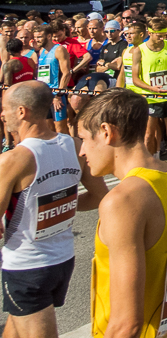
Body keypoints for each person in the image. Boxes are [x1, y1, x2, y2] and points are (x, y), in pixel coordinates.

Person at [79, 88, 167, 338]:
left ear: (107, 132)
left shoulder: (121, 201)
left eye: (84, 139)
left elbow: (126, 324)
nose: (82, 151)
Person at [0, 82, 108, 338]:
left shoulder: (14, 160)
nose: (2, 114)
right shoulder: (72, 145)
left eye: (5, 108)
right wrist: (64, 207)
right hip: (62, 259)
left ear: (22, 112)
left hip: (26, 267)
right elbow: (99, 196)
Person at [131, 17, 167, 163]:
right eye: (159, 35)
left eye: (164, 34)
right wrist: (151, 88)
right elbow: (135, 79)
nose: (162, 38)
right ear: (150, 32)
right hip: (151, 98)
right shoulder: (139, 50)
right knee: (148, 134)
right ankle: (149, 165)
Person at [33, 25, 72, 134]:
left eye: (40, 37)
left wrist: (58, 95)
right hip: (44, 94)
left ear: (49, 36)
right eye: (36, 37)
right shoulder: (41, 51)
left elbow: (66, 73)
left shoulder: (59, 49)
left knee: (61, 129)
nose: (37, 40)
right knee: (49, 130)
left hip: (56, 95)